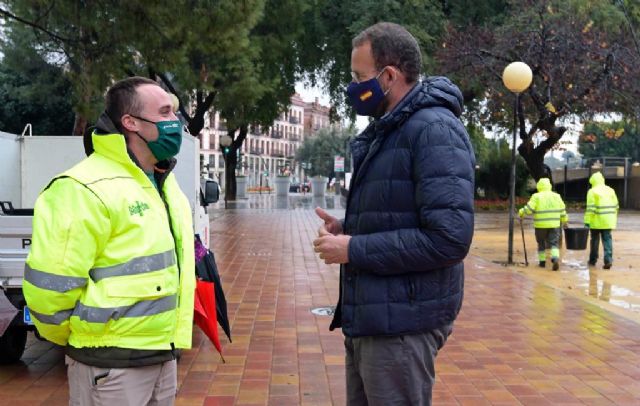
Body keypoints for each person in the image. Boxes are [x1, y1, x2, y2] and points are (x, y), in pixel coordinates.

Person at [312, 22, 475, 405]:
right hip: (376, 318)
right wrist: (348, 228)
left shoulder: (434, 130)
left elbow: (449, 239)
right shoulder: (393, 129)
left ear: (388, 76)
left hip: (403, 325)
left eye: (358, 76)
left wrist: (354, 248)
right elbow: (400, 213)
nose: (352, 86)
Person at [24, 77, 195, 405]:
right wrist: (85, 339)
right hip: (109, 366)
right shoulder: (82, 186)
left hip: (161, 356)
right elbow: (49, 292)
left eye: (175, 113)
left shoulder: (163, 184)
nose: (175, 122)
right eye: (164, 113)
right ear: (131, 122)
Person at [518, 177, 568, 271]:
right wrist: (565, 220)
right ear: (549, 186)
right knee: (554, 243)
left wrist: (521, 212)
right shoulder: (556, 196)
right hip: (554, 225)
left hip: (540, 226)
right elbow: (562, 210)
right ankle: (555, 258)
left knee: (541, 243)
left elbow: (529, 209)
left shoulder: (536, 196)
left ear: (539, 186)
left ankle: (542, 262)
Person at [584, 171, 619, 269]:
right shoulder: (611, 190)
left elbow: (591, 208)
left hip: (596, 221)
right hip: (608, 221)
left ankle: (593, 260)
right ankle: (608, 260)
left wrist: (587, 222)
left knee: (594, 240)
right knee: (607, 239)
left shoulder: (592, 191)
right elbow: (616, 206)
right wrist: (613, 218)